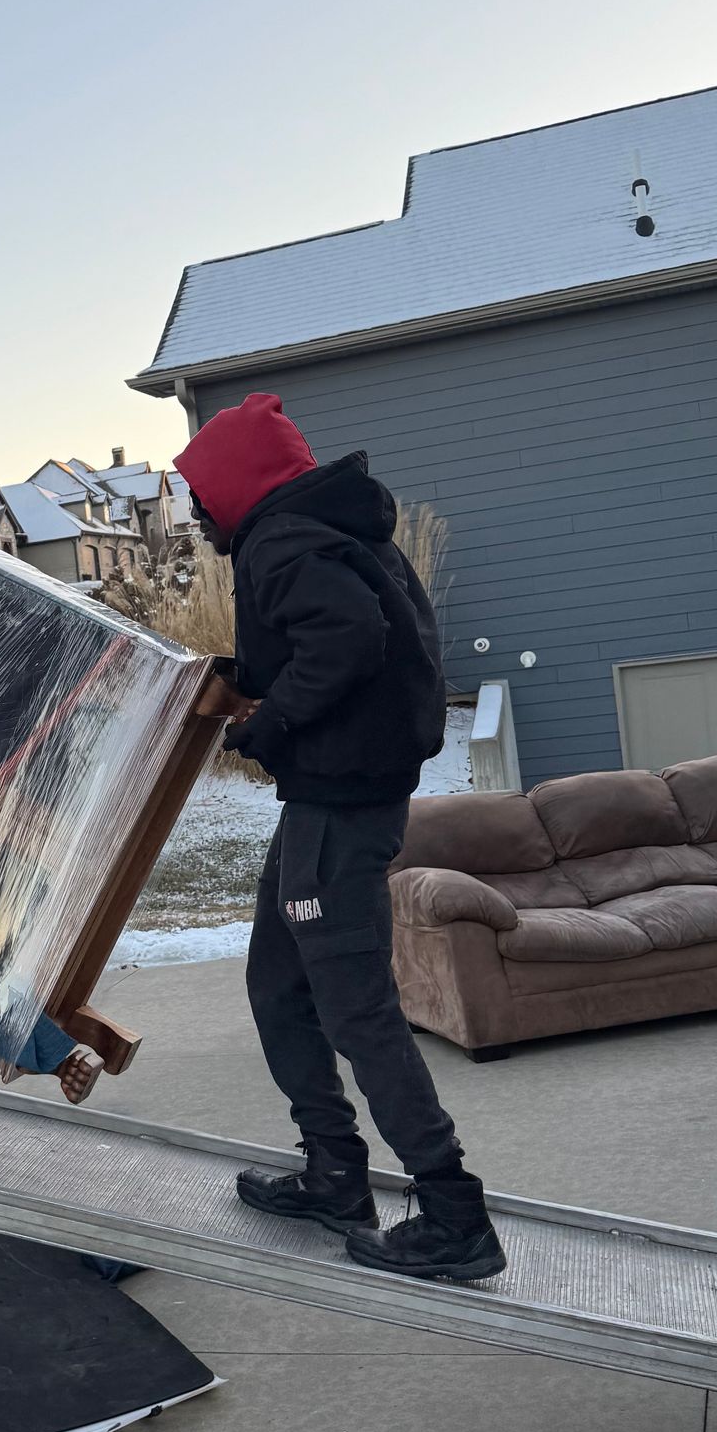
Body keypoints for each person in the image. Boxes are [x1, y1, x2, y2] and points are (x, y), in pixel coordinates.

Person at [175, 393, 505, 1282]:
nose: (197, 517)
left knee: (355, 1006)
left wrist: (272, 721)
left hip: (339, 805)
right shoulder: (336, 532)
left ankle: (452, 1210)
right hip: (335, 798)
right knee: (278, 983)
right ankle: (335, 1175)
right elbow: (334, 637)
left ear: (236, 489)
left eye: (201, 499)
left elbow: (348, 638)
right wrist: (253, 687)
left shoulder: (283, 543)